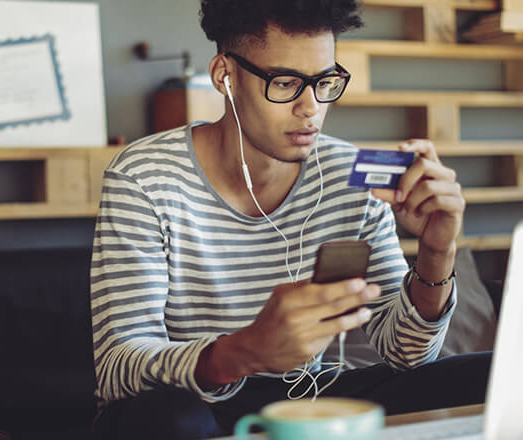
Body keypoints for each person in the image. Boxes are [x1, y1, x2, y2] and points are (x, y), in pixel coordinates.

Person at [90, 1, 491, 438]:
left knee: (492, 375)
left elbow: (407, 355)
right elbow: (118, 367)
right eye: (285, 83)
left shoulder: (352, 174)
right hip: (198, 402)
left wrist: (437, 251)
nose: (310, 107)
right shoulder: (144, 176)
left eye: (325, 82)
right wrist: (243, 352)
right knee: (169, 418)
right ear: (225, 76)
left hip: (308, 397)